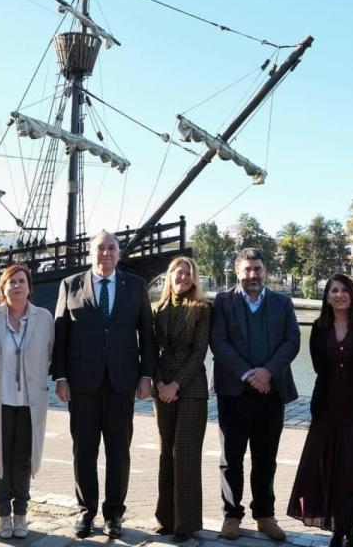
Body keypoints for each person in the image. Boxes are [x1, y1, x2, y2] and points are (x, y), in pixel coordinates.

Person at [52, 230, 156, 539]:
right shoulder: (70, 285)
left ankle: (114, 513)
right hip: (82, 382)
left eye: (111, 248)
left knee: (118, 450)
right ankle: (86, 511)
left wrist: (146, 375)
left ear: (119, 253)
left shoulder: (135, 286)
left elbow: (147, 334)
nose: (106, 253)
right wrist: (60, 377)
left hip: (121, 381)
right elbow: (60, 334)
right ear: (91, 252)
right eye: (100, 248)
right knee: (84, 449)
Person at [287, 274, 353, 547]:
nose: (339, 295)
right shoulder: (319, 327)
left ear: (352, 295)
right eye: (333, 290)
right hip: (326, 409)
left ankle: (348, 526)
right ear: (327, 297)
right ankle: (336, 527)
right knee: (325, 469)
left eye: (344, 290)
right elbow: (319, 365)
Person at [209, 247, 300, 542]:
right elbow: (218, 342)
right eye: (247, 269)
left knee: (266, 458)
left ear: (265, 271)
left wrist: (267, 372)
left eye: (257, 269)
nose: (253, 275)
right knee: (231, 458)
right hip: (234, 392)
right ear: (237, 271)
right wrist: (249, 374)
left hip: (270, 391)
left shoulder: (282, 303)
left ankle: (264, 515)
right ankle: (231, 515)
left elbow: (292, 341)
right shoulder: (223, 302)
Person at [0, 264, 55, 539]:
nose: (17, 286)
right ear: (3, 288)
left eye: (21, 281)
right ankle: (3, 515)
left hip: (30, 402)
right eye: (11, 282)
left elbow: (50, 353)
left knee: (23, 460)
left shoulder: (44, 318)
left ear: (29, 287)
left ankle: (21, 513)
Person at [151, 257, 211, 542]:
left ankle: (186, 523)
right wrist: (160, 383)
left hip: (191, 389)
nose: (184, 277)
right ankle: (165, 518)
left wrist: (175, 384)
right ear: (170, 275)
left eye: (189, 274)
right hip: (162, 389)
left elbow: (199, 352)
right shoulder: (157, 309)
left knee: (185, 455)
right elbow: (151, 350)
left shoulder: (201, 309)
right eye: (179, 272)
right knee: (166, 454)